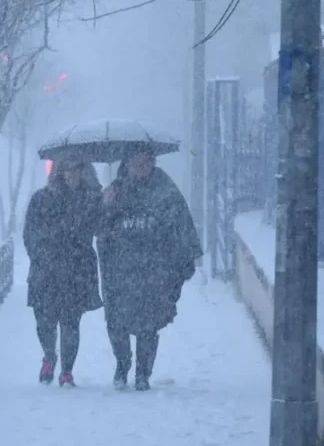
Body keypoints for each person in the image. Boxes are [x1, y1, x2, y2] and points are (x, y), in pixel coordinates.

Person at [97, 145, 203, 391]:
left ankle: (143, 373)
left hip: (152, 271)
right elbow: (99, 227)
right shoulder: (116, 191)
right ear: (127, 164)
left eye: (146, 162)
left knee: (148, 324)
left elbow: (179, 224)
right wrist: (105, 206)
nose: (141, 168)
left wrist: (178, 262)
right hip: (120, 271)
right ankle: (122, 365)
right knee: (117, 323)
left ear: (153, 163)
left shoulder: (165, 192)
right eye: (136, 162)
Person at [22, 156, 104, 387]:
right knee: (44, 322)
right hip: (45, 272)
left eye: (77, 169)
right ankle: (49, 356)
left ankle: (67, 371)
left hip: (76, 273)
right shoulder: (41, 199)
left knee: (70, 324)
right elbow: (30, 234)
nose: (72, 175)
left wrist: (104, 203)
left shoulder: (90, 201)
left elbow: (99, 228)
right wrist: (43, 255)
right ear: (59, 172)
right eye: (67, 170)